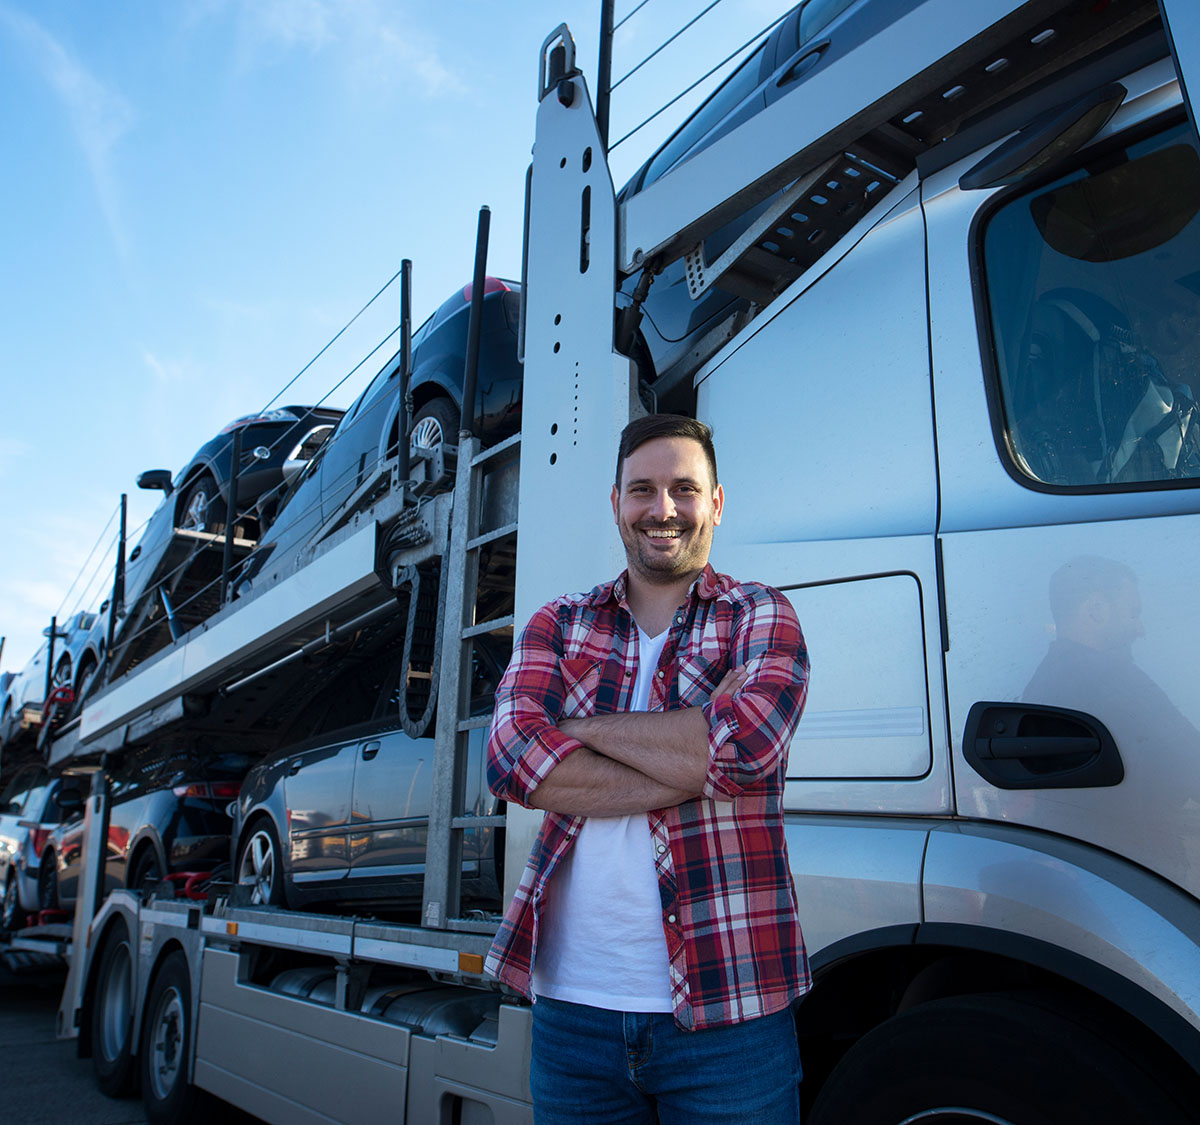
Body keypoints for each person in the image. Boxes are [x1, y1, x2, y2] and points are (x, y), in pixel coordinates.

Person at [485, 413, 811, 1123]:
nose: (663, 509)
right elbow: (514, 760)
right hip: (574, 1016)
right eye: (642, 489)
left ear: (717, 503)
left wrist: (575, 730)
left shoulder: (760, 614)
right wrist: (697, 752)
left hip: (733, 1011)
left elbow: (748, 746)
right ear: (615, 502)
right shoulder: (558, 623)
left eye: (684, 488)